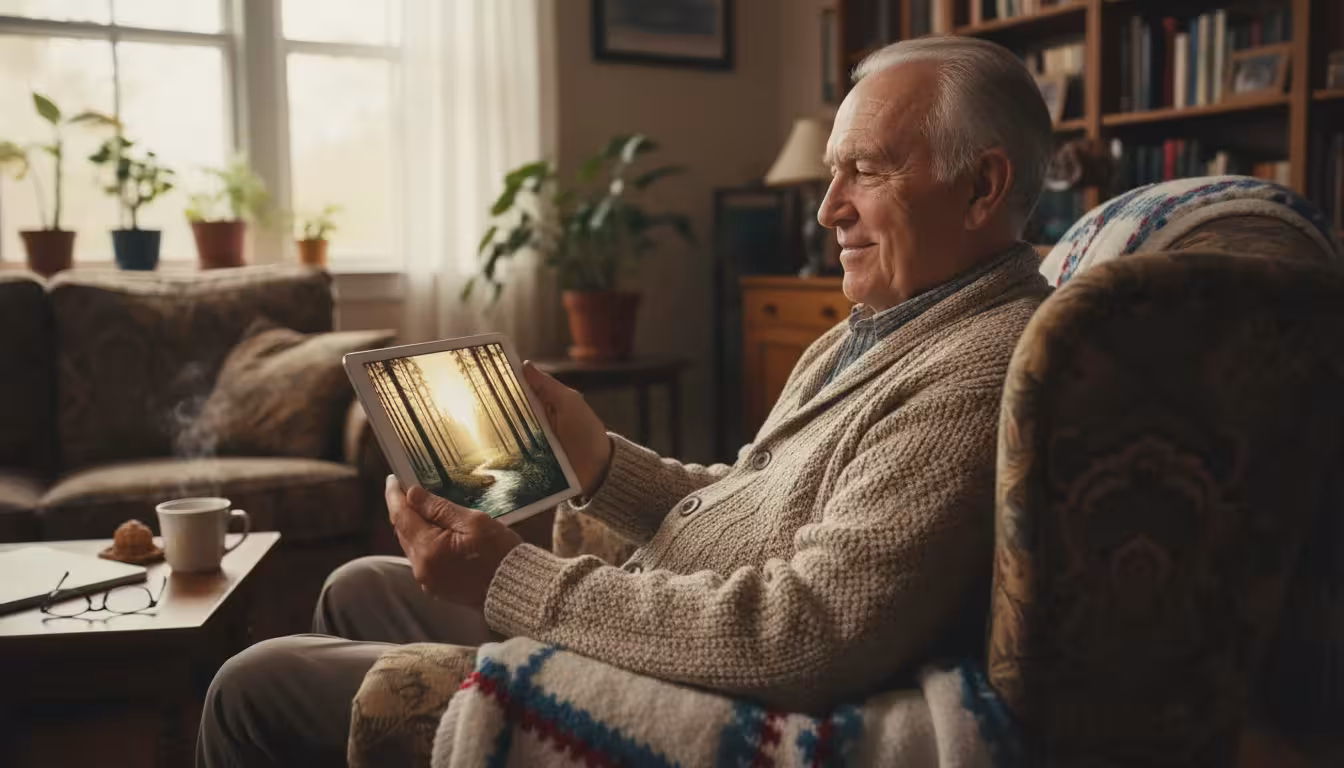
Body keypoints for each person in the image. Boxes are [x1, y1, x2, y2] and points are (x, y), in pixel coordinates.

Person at [196, 35, 1054, 767]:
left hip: (712, 672)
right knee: (355, 587)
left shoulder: (979, 372)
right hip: (674, 605)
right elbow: (759, 503)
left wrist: (510, 575)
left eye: (864, 170)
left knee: (253, 685)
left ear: (982, 187)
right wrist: (600, 462)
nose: (829, 209)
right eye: (834, 174)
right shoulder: (875, 326)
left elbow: (805, 632)